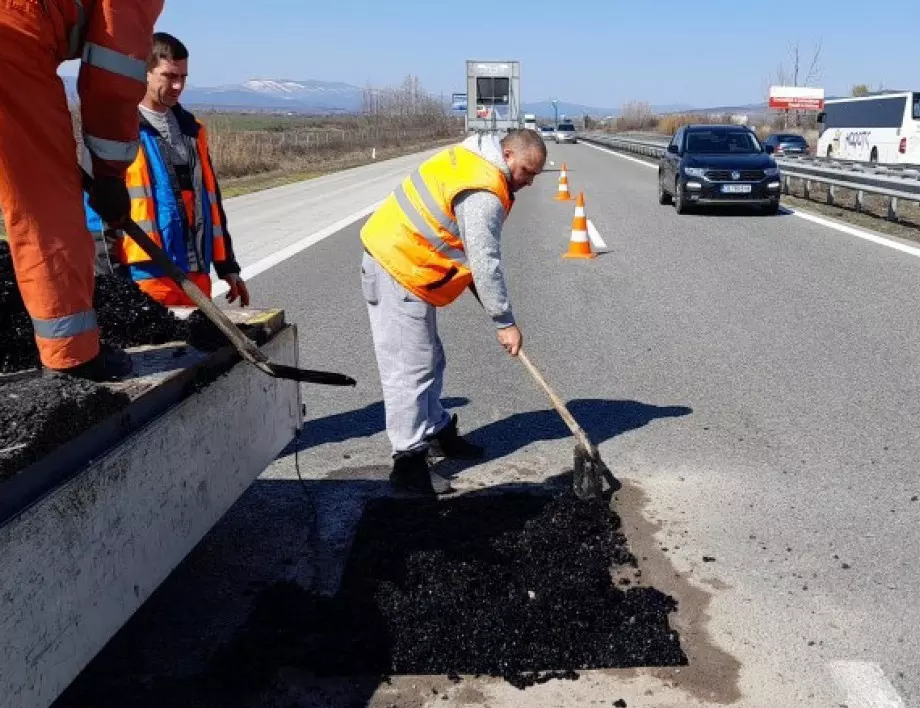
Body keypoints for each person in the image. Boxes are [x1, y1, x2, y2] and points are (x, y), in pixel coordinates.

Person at [360, 128, 546, 497]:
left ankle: (438, 431)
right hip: (396, 265)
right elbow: (484, 261)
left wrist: (497, 314)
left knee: (429, 359)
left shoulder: (476, 162)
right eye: (526, 171)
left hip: (413, 267)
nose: (528, 181)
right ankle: (409, 464)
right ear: (508, 155)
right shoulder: (483, 191)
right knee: (409, 367)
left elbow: (472, 261)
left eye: (535, 175)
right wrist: (504, 322)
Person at [0, 0, 164, 381]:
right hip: (12, 39)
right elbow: (114, 78)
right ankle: (71, 357)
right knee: (49, 211)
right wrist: (109, 176)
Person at [85, 32, 249, 308]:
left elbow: (211, 204)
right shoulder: (114, 130)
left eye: (183, 77)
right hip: (145, 279)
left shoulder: (193, 129)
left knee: (203, 350)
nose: (177, 86)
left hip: (196, 275)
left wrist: (227, 266)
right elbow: (96, 217)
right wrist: (110, 286)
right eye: (169, 76)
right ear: (144, 72)